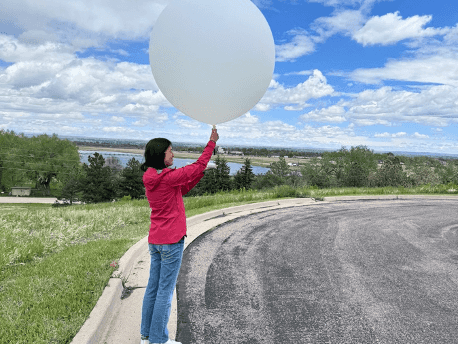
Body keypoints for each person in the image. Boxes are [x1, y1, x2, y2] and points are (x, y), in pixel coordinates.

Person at [140, 128, 219, 344]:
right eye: (170, 151)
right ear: (160, 156)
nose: (172, 155)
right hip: (171, 241)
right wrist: (211, 143)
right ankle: (159, 340)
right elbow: (196, 166)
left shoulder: (153, 178)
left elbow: (182, 188)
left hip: (156, 240)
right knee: (165, 292)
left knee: (153, 288)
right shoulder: (167, 178)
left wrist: (200, 174)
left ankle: (146, 336)